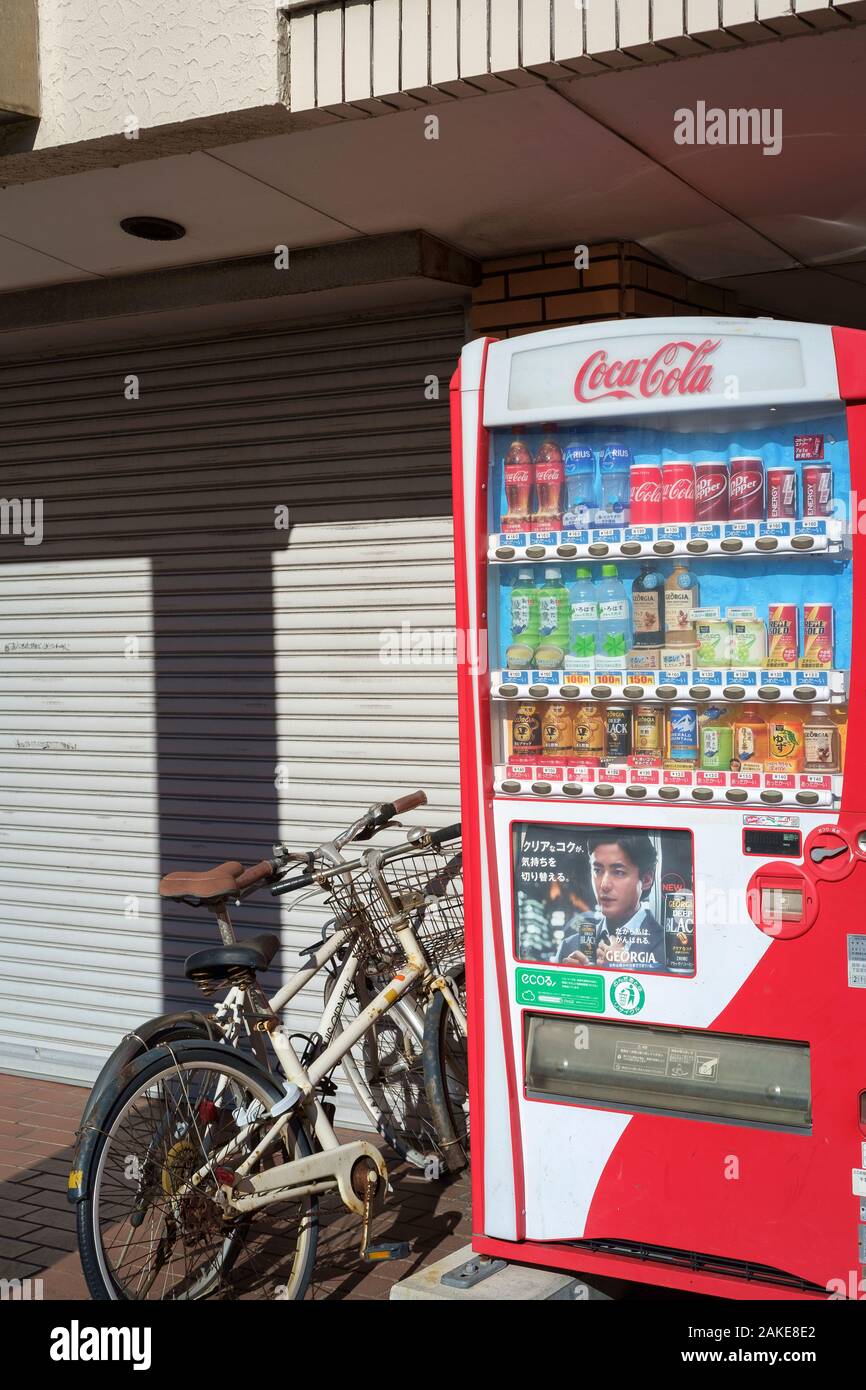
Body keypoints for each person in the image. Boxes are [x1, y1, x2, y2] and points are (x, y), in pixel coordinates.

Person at [557, 831, 666, 972]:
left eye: (618, 872)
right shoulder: (570, 946)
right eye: (597, 870)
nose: (604, 885)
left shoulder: (669, 947)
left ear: (646, 880)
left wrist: (627, 970)